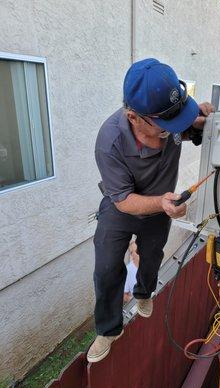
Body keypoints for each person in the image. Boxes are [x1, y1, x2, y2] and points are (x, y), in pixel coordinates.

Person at [87, 58, 213, 363]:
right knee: (106, 267)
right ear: (134, 117)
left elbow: (193, 127)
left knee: (152, 256)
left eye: (178, 118)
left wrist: (206, 121)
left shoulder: (171, 116)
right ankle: (108, 329)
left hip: (160, 204)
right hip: (123, 204)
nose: (174, 129)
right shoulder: (109, 141)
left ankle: (144, 294)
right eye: (166, 125)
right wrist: (162, 203)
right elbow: (123, 200)